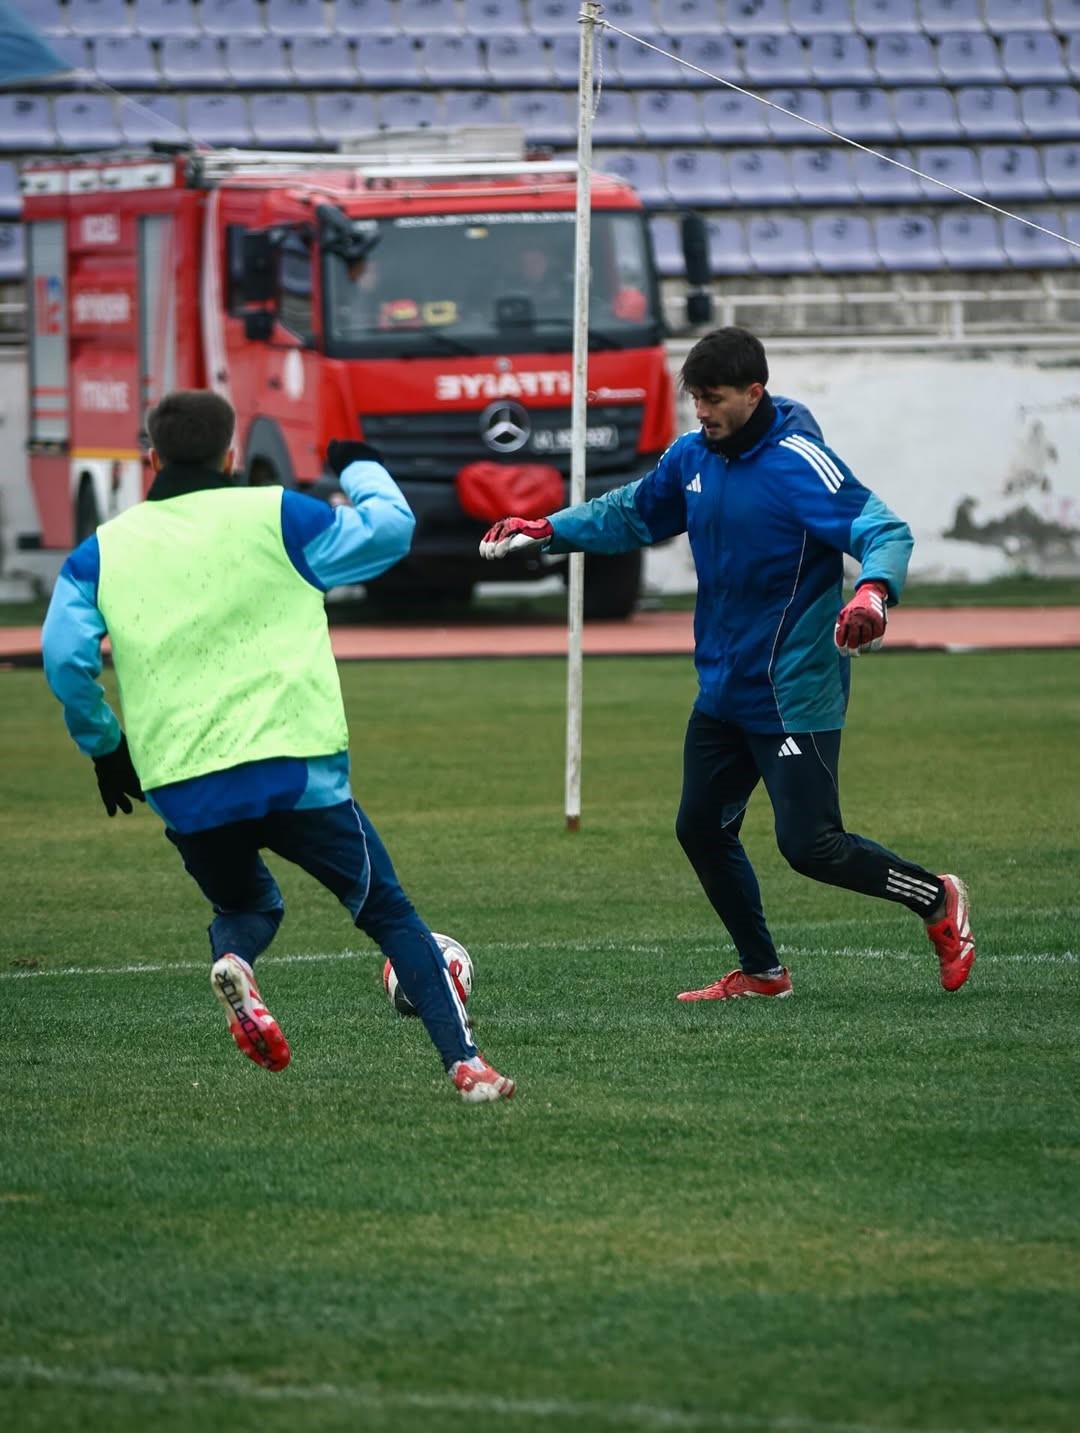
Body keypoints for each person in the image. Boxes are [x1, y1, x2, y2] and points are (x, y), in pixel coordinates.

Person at [42, 389, 514, 1102]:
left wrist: (105, 746)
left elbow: (63, 655)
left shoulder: (103, 549)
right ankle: (467, 1065)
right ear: (231, 454)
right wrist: (359, 466)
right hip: (296, 770)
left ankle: (235, 960)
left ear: (151, 458)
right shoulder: (279, 513)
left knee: (252, 906)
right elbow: (390, 531)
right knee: (388, 914)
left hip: (184, 779)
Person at [479, 327, 975, 1000]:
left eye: (713, 399)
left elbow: (882, 529)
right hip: (723, 687)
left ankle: (936, 897)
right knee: (700, 827)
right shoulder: (692, 458)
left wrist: (872, 591)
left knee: (811, 846)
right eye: (694, 399)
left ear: (753, 392)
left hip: (795, 689)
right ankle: (764, 972)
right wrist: (548, 530)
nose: (701, 413)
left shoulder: (801, 463)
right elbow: (630, 513)